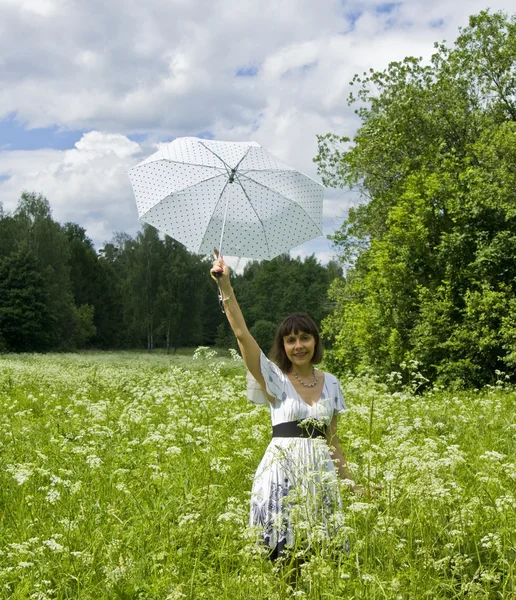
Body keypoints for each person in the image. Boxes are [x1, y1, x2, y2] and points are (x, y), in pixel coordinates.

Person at [210, 250, 359, 561]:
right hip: (281, 477)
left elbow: (333, 440)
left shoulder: (331, 382)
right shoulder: (275, 379)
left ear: (315, 342)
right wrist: (225, 286)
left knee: (322, 558)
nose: (298, 345)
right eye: (290, 340)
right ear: (283, 346)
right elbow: (242, 334)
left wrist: (349, 482)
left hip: (320, 480)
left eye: (305, 338)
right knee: (283, 559)